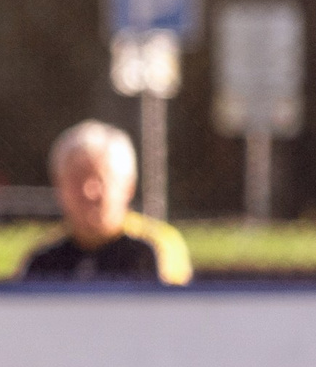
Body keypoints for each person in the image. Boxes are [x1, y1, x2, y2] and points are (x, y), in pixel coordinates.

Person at [17, 120, 191, 283]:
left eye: (100, 179)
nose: (88, 191)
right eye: (76, 179)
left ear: (128, 186)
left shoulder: (155, 248)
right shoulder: (41, 259)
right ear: (58, 186)